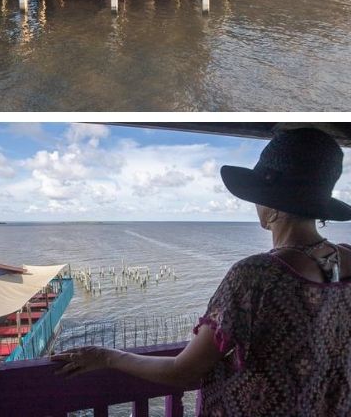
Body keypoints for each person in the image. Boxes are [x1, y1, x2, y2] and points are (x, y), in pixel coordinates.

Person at [53, 127, 351, 416]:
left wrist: (109, 356)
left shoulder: (257, 275)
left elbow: (183, 371)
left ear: (272, 204)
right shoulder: (346, 257)